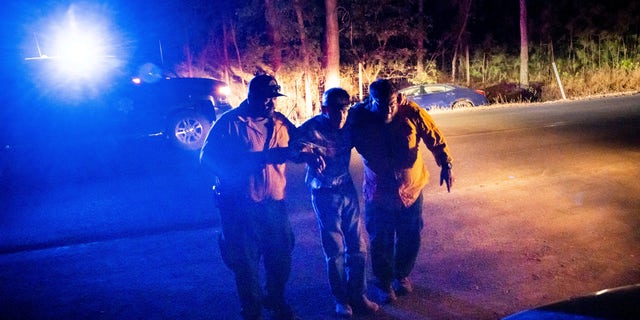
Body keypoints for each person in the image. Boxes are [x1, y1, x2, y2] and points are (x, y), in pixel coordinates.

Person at [199, 74, 298, 320]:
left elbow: (300, 146)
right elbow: (207, 158)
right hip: (241, 208)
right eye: (265, 98)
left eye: (273, 98)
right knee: (246, 264)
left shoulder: (281, 123)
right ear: (251, 96)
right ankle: (252, 311)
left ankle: (275, 300)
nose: (270, 103)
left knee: (281, 259)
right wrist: (235, 174)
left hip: (274, 205)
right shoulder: (230, 122)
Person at [349, 79, 454, 304]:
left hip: (411, 190)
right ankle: (384, 283)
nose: (388, 109)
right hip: (378, 193)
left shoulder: (412, 112)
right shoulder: (359, 117)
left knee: (410, 236)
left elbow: (434, 137)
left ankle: (402, 274)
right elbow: (338, 141)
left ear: (397, 99)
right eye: (381, 104)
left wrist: (446, 164)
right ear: (371, 101)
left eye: (392, 104)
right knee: (381, 240)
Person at [291, 88, 379, 318]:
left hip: (346, 188)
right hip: (323, 192)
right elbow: (293, 146)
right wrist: (306, 155)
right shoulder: (313, 127)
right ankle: (341, 299)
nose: (341, 115)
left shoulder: (351, 122)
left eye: (344, 108)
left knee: (357, 245)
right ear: (324, 110)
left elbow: (375, 103)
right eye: (335, 110)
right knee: (334, 248)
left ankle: (358, 294)